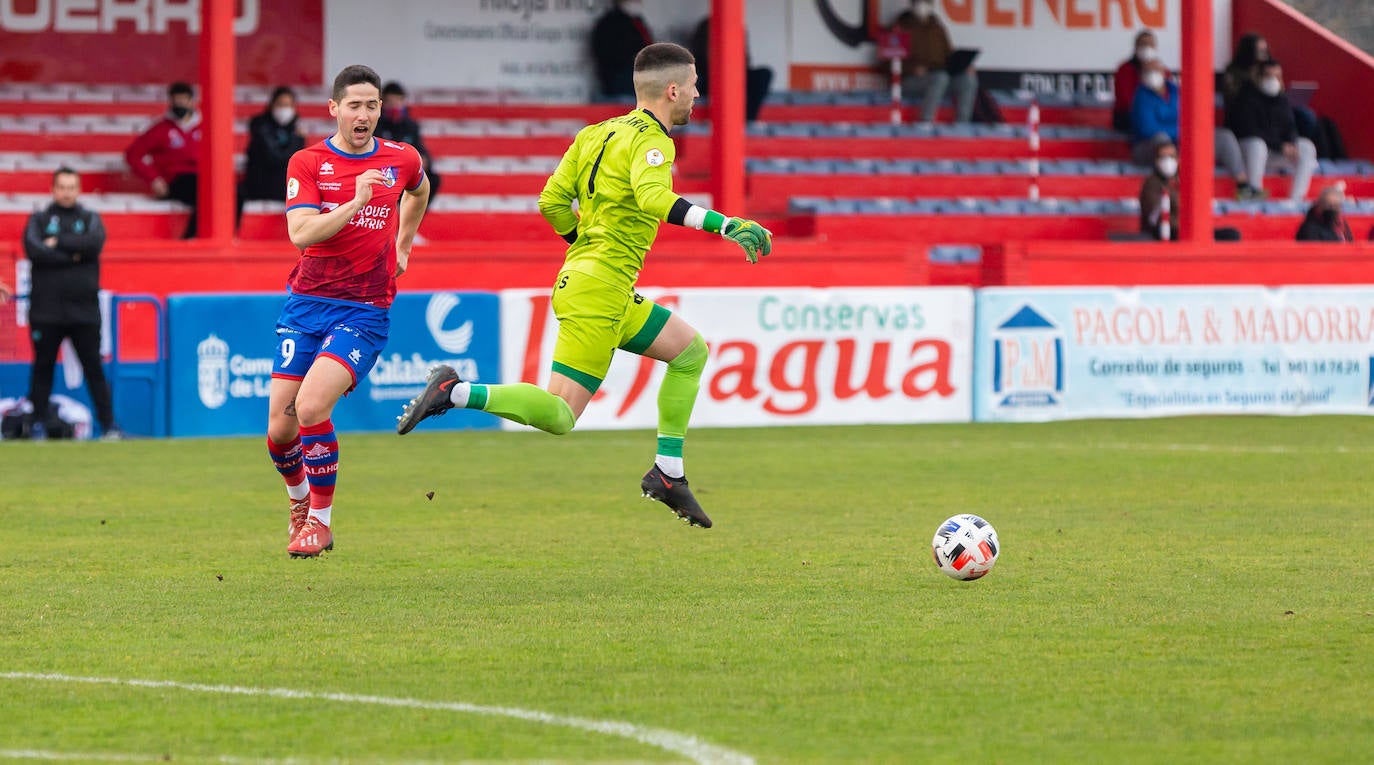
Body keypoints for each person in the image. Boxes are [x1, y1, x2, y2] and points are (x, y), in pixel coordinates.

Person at [395, 43, 772, 530]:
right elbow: (654, 197)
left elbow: (551, 201)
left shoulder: (595, 134)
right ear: (672, 89)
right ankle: (456, 391)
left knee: (690, 351)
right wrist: (724, 225)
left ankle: (668, 474)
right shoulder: (654, 142)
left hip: (598, 285)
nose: (697, 96)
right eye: (695, 86)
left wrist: (584, 245)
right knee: (559, 415)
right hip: (600, 291)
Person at [265, 64, 431, 558]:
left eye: (372, 105)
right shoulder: (308, 162)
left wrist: (403, 244)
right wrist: (356, 203)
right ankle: (298, 504)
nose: (364, 114)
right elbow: (301, 234)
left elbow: (420, 190)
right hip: (306, 303)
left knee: (313, 407)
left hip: (363, 309)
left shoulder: (401, 158)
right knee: (280, 429)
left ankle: (320, 521)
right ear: (334, 109)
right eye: (354, 105)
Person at [22, 167, 120, 441]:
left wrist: (58, 244)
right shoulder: (39, 219)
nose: (66, 192)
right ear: (53, 189)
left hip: (84, 311)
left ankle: (109, 426)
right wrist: (74, 254)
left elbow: (93, 244)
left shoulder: (90, 218)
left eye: (72, 186)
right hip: (46, 311)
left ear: (79, 190)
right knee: (43, 367)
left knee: (94, 368)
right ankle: (36, 425)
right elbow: (34, 249)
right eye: (62, 187)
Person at [1227, 60, 1318, 203]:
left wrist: (1291, 143)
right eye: (1268, 76)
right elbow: (1250, 130)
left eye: (1277, 76)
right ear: (1258, 77)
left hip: (1275, 153)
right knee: (1257, 145)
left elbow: (1290, 126)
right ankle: (1254, 191)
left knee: (1307, 147)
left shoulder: (1282, 99)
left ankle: (1295, 199)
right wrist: (1279, 145)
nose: (1273, 80)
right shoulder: (1245, 98)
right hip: (1249, 154)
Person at [124, 82, 201, 239]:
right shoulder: (160, 129)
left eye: (183, 100)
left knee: (235, 194)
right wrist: (155, 180)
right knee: (202, 192)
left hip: (202, 178)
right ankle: (190, 240)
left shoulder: (206, 128)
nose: (179, 104)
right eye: (176, 100)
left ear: (192, 101)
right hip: (174, 181)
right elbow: (132, 155)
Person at [892, 0, 977, 124]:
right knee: (939, 78)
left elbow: (949, 54)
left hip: (939, 76)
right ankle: (925, 122)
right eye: (920, 2)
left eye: (927, 2)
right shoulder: (901, 26)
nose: (923, 5)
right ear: (912, 4)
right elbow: (888, 59)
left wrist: (963, 65)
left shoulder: (937, 28)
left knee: (967, 80)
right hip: (910, 80)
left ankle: (962, 124)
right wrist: (912, 68)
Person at [238, 86, 307, 227]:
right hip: (261, 185)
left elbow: (298, 161)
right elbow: (275, 158)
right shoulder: (260, 126)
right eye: (280, 104)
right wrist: (296, 140)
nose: (284, 109)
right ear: (271, 105)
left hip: (284, 185)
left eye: (288, 105)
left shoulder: (294, 128)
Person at [689, 16, 774, 123]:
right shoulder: (707, 30)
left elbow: (745, 62)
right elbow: (701, 64)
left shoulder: (738, 38)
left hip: (735, 77)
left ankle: (746, 121)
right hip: (709, 78)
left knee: (764, 74)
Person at [375, 81, 441, 197]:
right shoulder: (376, 124)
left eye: (398, 101)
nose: (395, 106)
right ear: (383, 103)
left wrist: (424, 160)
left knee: (432, 179)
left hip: (406, 170)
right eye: (390, 102)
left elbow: (420, 149)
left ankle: (416, 213)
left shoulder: (411, 125)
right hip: (384, 170)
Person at [591, 0, 654, 99]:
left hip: (643, 78)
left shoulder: (637, 20)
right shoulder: (609, 22)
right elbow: (606, 54)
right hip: (622, 81)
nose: (638, 2)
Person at [1112, 31, 1158, 133]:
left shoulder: (1161, 69)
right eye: (1143, 44)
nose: (1147, 47)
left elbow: (1168, 98)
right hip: (1127, 117)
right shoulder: (1125, 69)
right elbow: (1127, 101)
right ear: (1136, 47)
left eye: (1150, 44)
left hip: (1155, 117)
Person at [1138, 142, 1180, 241]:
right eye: (1163, 157)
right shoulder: (1152, 184)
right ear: (1156, 160)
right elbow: (1156, 216)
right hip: (1160, 235)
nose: (1168, 161)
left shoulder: (1183, 181)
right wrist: (1185, 226)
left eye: (1171, 156)